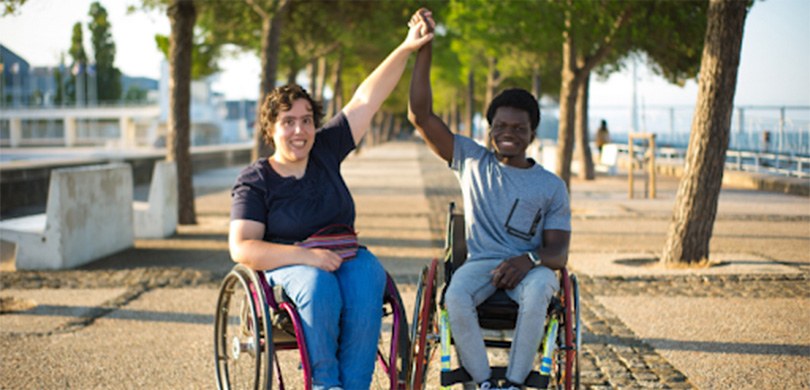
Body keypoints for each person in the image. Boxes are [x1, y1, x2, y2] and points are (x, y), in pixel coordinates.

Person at [228, 12, 434, 390]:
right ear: (271, 128)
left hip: (344, 253)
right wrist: (306, 256)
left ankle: (353, 386)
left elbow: (367, 98)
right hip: (288, 263)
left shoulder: (325, 149)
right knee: (317, 284)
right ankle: (325, 383)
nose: (299, 130)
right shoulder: (256, 179)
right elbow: (242, 247)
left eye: (307, 120)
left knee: (367, 277)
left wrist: (407, 46)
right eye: (288, 121)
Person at [407, 10, 571, 390]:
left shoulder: (551, 186)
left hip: (531, 268)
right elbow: (420, 115)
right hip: (479, 262)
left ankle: (514, 383)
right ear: (490, 128)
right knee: (457, 295)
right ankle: (481, 382)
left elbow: (558, 254)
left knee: (538, 294)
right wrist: (424, 47)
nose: (508, 133)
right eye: (500, 126)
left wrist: (527, 260)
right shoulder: (471, 160)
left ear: (531, 133)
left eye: (518, 128)